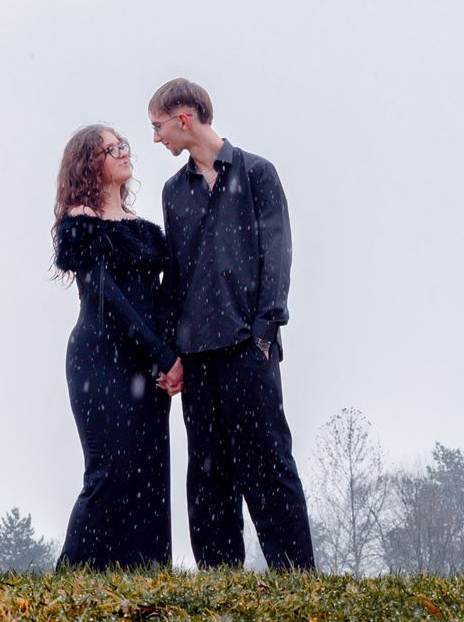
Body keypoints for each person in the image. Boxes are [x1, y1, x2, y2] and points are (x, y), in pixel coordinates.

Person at [149, 78, 315, 571]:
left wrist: (264, 334)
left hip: (249, 348)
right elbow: (175, 275)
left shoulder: (258, 173)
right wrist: (171, 350)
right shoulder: (173, 192)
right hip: (198, 356)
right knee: (208, 476)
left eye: (158, 126)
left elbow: (277, 259)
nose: (156, 138)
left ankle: (298, 579)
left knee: (268, 465)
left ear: (184, 119)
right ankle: (221, 580)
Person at [51, 124, 179, 569]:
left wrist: (168, 354)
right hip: (99, 361)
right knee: (111, 469)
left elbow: (163, 298)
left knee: (149, 473)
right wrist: (162, 354)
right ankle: (73, 577)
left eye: (124, 145)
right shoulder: (79, 221)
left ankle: (147, 577)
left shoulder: (145, 230)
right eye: (112, 148)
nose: (125, 153)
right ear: (90, 163)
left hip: (149, 366)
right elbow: (106, 297)